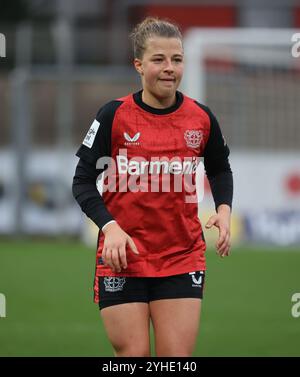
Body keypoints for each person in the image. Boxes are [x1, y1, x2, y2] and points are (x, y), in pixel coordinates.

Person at [72, 17, 233, 357]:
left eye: (177, 59)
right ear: (139, 65)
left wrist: (223, 209)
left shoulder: (201, 118)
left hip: (181, 256)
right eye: (158, 59)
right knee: (133, 358)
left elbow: (219, 168)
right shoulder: (113, 115)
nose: (169, 68)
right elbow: (83, 181)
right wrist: (110, 227)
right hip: (122, 258)